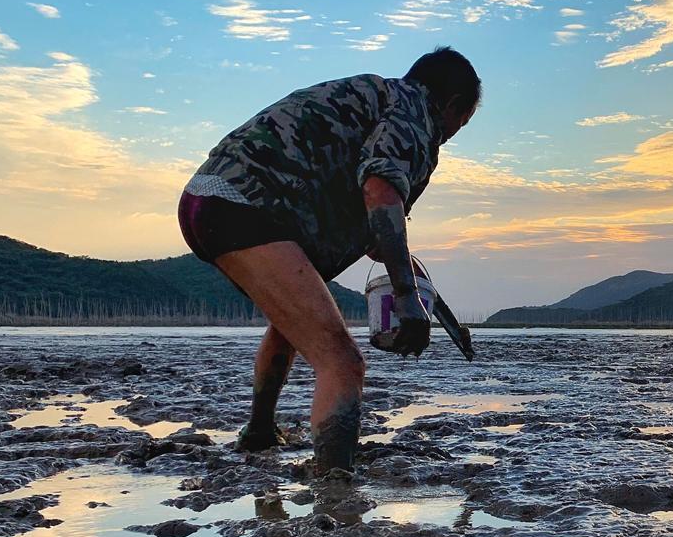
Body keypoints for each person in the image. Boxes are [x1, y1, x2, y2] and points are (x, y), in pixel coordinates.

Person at [177, 46, 480, 475]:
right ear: (451, 105)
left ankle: (259, 432)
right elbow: (381, 193)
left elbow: (378, 236)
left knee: (291, 326)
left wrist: (427, 297)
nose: (450, 135)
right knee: (342, 361)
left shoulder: (372, 98)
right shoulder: (414, 115)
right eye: (459, 124)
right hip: (245, 206)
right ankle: (336, 494)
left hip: (208, 199)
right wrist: (407, 296)